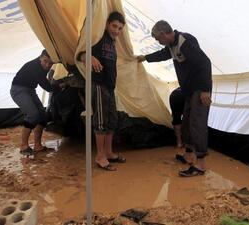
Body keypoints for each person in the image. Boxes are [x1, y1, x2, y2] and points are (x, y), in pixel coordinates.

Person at [138, 20, 212, 177]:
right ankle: (188, 155)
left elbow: (204, 63)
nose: (159, 42)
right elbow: (163, 54)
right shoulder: (172, 46)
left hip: (199, 89)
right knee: (187, 123)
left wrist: (206, 90)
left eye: (159, 39)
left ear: (164, 34)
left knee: (197, 124)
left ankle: (200, 164)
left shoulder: (185, 41)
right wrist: (145, 57)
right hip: (189, 90)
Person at [77, 11, 126, 171]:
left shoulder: (113, 43)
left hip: (110, 87)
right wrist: (89, 57)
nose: (116, 30)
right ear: (106, 24)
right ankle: (100, 156)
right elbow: (80, 53)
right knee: (101, 121)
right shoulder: (99, 37)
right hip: (98, 85)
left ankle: (109, 152)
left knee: (112, 120)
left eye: (119, 28)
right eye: (114, 26)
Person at [10, 50, 56, 156]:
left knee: (43, 116)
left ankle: (37, 146)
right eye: (45, 61)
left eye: (50, 63)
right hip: (18, 90)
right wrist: (59, 87)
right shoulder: (35, 66)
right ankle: (23, 146)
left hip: (30, 90)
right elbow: (46, 86)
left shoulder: (44, 64)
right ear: (40, 57)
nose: (47, 65)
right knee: (33, 115)